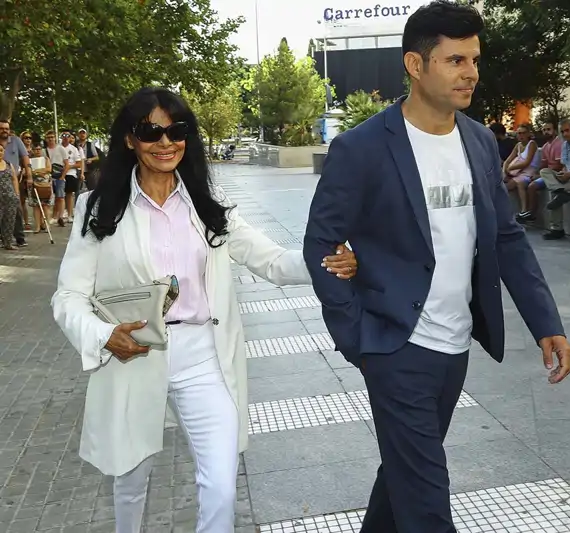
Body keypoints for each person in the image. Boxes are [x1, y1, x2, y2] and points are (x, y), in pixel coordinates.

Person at [302, 2, 570, 532]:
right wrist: (357, 336)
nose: (470, 73)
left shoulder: (478, 139)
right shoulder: (361, 148)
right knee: (427, 496)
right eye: (454, 60)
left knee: (404, 476)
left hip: (455, 344)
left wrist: (546, 322)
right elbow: (320, 242)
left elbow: (507, 237)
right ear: (415, 64)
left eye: (474, 60)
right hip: (395, 345)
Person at [51, 87, 358, 533]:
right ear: (130, 140)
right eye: (150, 132)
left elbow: (273, 261)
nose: (165, 142)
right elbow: (68, 297)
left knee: (220, 485)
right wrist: (103, 336)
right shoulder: (98, 209)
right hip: (134, 354)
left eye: (176, 131)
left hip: (203, 357)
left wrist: (328, 262)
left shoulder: (208, 206)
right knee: (130, 479)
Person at [0, 143, 21, 250]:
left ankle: (8, 243)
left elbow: (14, 179)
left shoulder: (8, 164)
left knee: (9, 220)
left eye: (1, 150)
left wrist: (16, 194)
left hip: (10, 196)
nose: (0, 153)